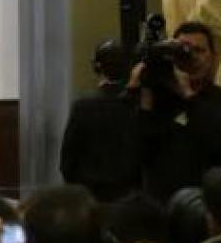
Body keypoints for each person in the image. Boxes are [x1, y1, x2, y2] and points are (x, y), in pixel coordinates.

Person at [130, 21, 221, 201]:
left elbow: (216, 141)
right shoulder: (159, 100)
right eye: (185, 51)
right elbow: (136, 153)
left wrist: (187, 94)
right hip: (161, 206)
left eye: (199, 50)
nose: (192, 57)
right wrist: (143, 90)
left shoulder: (217, 100)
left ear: (213, 57)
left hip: (206, 207)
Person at [59, 38, 142, 202]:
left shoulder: (83, 107)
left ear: (96, 66)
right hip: (131, 195)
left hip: (91, 196)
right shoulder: (140, 104)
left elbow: (68, 161)